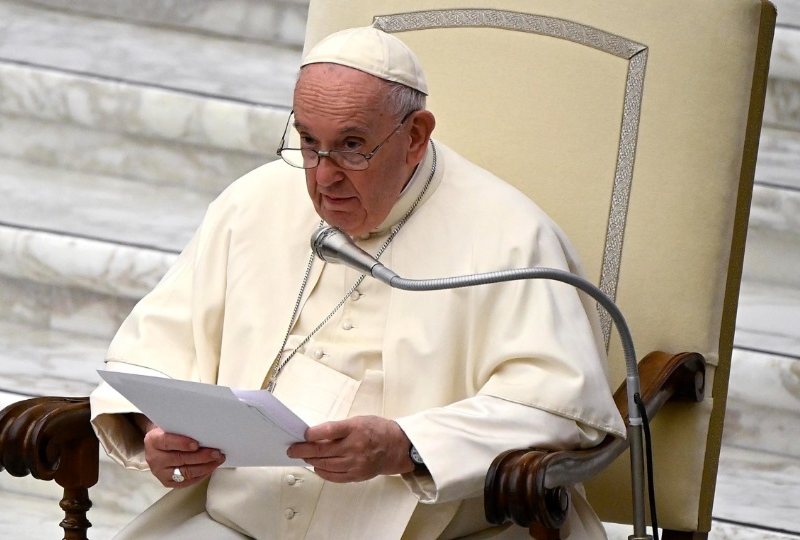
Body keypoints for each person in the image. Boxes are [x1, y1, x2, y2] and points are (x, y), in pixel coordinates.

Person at [90, 26, 625, 539]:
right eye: (307, 141)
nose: (323, 177)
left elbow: (557, 407)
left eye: (352, 146)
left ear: (414, 137)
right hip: (237, 522)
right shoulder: (254, 202)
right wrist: (153, 431)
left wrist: (405, 445)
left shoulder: (513, 238)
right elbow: (151, 351)